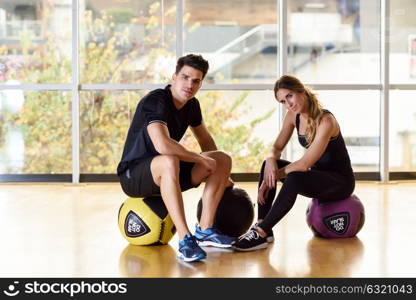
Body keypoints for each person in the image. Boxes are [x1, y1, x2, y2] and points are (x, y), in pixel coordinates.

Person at [117, 54, 235, 262]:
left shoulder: (192, 105)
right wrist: (200, 160)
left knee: (223, 158)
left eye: (196, 80)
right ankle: (184, 239)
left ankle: (205, 230)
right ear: (174, 77)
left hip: (168, 172)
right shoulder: (156, 101)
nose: (190, 84)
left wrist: (218, 171)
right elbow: (162, 144)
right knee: (169, 159)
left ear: (200, 84)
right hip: (134, 175)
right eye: (185, 77)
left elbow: (206, 141)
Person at [233, 75, 355, 251]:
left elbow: (305, 164)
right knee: (268, 165)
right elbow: (276, 147)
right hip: (319, 178)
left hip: (340, 182)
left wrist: (274, 175)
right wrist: (270, 160)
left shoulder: (326, 121)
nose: (288, 104)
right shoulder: (293, 116)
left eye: (289, 96)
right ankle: (263, 225)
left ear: (300, 90)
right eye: (282, 101)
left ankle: (260, 231)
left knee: (294, 178)